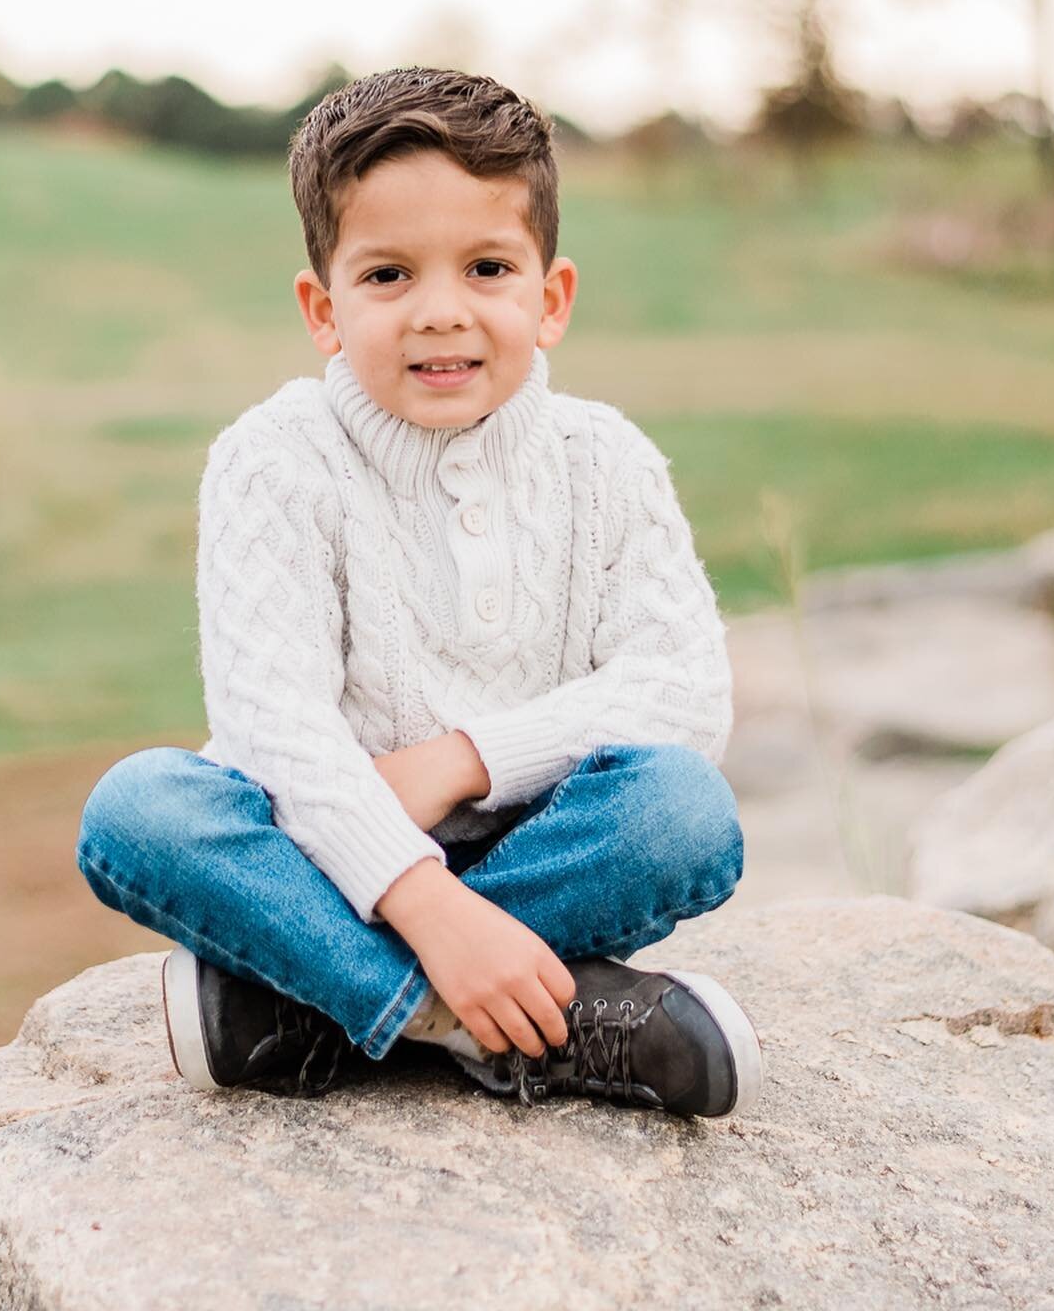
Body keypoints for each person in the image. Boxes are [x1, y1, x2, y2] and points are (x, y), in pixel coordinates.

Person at [76, 66, 762, 1116]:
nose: (441, 313)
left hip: (546, 841)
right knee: (142, 811)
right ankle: (515, 1019)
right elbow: (276, 728)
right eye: (389, 276)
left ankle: (305, 1009)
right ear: (323, 307)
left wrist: (461, 763)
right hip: (312, 843)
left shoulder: (605, 459)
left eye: (488, 267)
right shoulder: (273, 459)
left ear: (551, 297)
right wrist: (429, 909)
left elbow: (683, 690)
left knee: (684, 814)